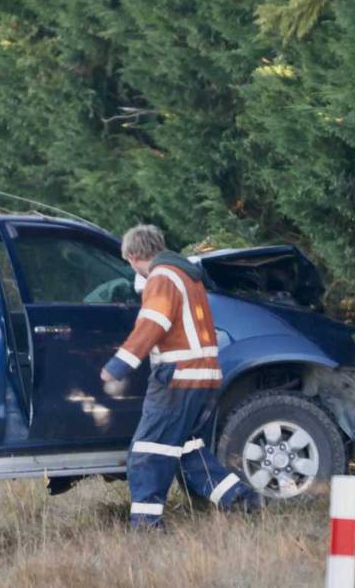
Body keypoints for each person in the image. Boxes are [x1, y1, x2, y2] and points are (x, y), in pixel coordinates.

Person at [100, 224, 260, 527]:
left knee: (148, 450)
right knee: (187, 449)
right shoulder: (186, 274)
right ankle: (240, 500)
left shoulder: (161, 278)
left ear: (134, 257)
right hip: (204, 376)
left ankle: (146, 525)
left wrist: (118, 365)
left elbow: (153, 323)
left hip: (177, 378)